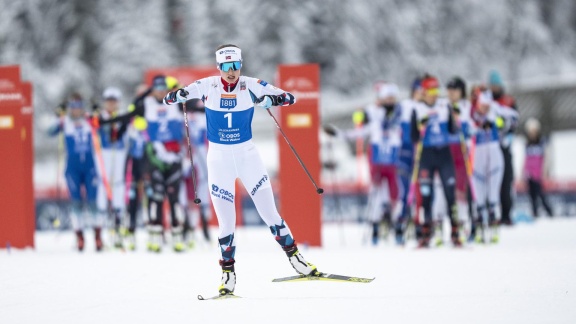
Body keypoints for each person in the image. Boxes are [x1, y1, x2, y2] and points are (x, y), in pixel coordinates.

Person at [164, 44, 318, 296]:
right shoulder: (208, 85)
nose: (231, 71)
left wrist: (272, 99)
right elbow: (173, 96)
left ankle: (297, 261)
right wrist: (175, 96)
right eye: (226, 66)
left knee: (270, 212)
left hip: (248, 156)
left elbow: (291, 97)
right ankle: (228, 276)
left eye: (235, 65)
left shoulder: (251, 84)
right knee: (226, 223)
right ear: (219, 67)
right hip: (219, 160)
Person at [97, 75, 186, 253]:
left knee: (167, 197)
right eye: (156, 89)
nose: (160, 92)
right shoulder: (143, 105)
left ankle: (171, 236)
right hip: (145, 159)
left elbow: (194, 106)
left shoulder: (172, 103)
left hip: (164, 158)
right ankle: (142, 234)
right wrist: (106, 124)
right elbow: (125, 118)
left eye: (163, 88)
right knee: (144, 198)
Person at [323, 82, 402, 245]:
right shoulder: (375, 119)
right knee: (376, 194)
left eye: (391, 99)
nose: (388, 103)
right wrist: (337, 134)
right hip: (377, 162)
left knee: (395, 195)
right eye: (386, 99)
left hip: (394, 164)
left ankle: (396, 226)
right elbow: (357, 133)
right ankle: (375, 228)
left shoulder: (399, 117)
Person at [410, 75, 460, 247]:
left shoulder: (444, 106)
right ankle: (426, 232)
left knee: (450, 193)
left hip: (444, 155)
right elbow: (413, 137)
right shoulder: (417, 109)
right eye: (430, 91)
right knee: (426, 195)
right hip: (426, 156)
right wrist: (420, 127)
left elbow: (454, 130)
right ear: (423, 92)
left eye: (436, 90)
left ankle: (454, 231)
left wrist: (455, 117)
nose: (434, 94)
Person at [49, 94, 103, 251]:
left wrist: (97, 111)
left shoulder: (89, 119)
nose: (76, 110)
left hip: (89, 165)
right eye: (73, 107)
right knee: (76, 202)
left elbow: (102, 125)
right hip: (72, 167)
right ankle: (79, 237)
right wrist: (56, 116)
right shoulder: (64, 121)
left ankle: (97, 237)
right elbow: (50, 131)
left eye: (79, 107)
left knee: (93, 202)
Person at [470, 90, 518, 243]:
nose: (485, 108)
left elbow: (513, 117)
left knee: (493, 193)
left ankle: (494, 223)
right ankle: (479, 225)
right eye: (482, 105)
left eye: (487, 105)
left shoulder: (496, 110)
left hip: (494, 154)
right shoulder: (471, 112)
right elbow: (464, 127)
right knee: (479, 194)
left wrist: (499, 123)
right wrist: (477, 125)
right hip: (477, 155)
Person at [95, 87, 129, 248]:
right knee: (104, 184)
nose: (111, 104)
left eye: (114, 101)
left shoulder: (123, 116)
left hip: (119, 152)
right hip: (104, 153)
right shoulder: (100, 116)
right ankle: (101, 226)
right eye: (108, 101)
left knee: (118, 184)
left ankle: (118, 221)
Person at [395, 77, 423, 244]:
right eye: (418, 90)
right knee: (405, 192)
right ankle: (400, 224)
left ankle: (421, 224)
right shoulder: (405, 106)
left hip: (420, 154)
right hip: (405, 153)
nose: (421, 94)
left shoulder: (427, 107)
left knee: (421, 192)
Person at [488, 70, 518, 225]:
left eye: (496, 85)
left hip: (504, 147)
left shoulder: (508, 100)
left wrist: (508, 134)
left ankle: (507, 214)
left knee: (506, 180)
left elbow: (514, 120)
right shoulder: (487, 102)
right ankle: (492, 214)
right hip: (490, 146)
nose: (494, 88)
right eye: (491, 85)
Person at [180, 98, 211, 245]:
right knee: (188, 191)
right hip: (188, 156)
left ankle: (204, 227)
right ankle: (187, 227)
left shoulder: (205, 116)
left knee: (204, 190)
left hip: (203, 155)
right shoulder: (184, 117)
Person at [523, 118, 553, 218]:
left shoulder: (542, 143)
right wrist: (523, 172)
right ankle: (534, 213)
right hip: (529, 174)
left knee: (540, 194)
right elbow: (525, 160)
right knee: (532, 195)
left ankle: (549, 211)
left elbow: (546, 158)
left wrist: (546, 171)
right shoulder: (527, 144)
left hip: (538, 174)